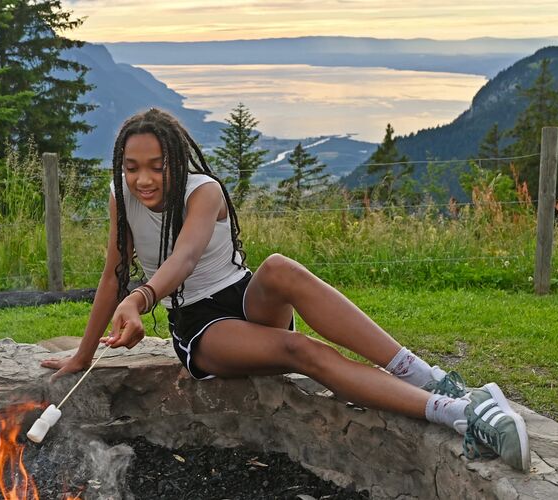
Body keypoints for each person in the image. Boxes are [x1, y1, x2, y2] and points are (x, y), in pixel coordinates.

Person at [42, 108, 530, 472]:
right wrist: (84, 353)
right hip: (201, 326)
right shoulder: (122, 198)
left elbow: (185, 256)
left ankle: (429, 377)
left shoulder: (203, 190)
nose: (143, 179)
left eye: (156, 165)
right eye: (131, 167)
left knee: (278, 267)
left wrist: (141, 298)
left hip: (244, 297)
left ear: (176, 158)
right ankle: (460, 415)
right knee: (302, 350)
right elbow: (113, 275)